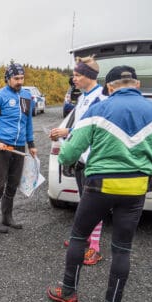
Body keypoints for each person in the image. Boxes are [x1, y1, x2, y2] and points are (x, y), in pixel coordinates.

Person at [46, 65, 152, 302]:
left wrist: (66, 157)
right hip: (135, 189)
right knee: (121, 248)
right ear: (137, 85)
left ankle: (69, 292)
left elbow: (71, 152)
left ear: (109, 87)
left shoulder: (98, 109)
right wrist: (147, 164)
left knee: (78, 236)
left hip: (99, 185)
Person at [50, 56, 108, 265]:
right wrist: (66, 132)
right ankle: (83, 238)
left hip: (94, 159)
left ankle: (95, 248)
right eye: (73, 75)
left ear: (89, 77)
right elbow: (82, 125)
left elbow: (99, 128)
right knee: (84, 203)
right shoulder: (83, 96)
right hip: (81, 158)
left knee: (94, 206)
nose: (73, 79)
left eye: (77, 75)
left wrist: (69, 131)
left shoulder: (102, 97)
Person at [0, 63, 37, 233]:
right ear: (8, 78)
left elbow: (27, 122)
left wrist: (31, 144)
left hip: (19, 148)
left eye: (21, 78)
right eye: (16, 78)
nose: (19, 81)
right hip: (2, 148)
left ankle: (7, 217)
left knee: (13, 183)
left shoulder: (26, 96)